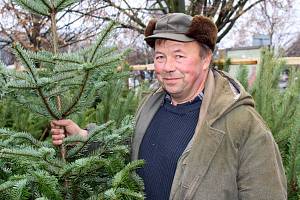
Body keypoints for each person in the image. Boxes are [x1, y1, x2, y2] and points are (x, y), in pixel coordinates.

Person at [51, 13, 287, 200]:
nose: (167, 67)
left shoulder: (242, 123)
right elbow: (131, 148)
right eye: (160, 57)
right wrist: (83, 136)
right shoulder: (151, 104)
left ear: (206, 59)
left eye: (179, 56)